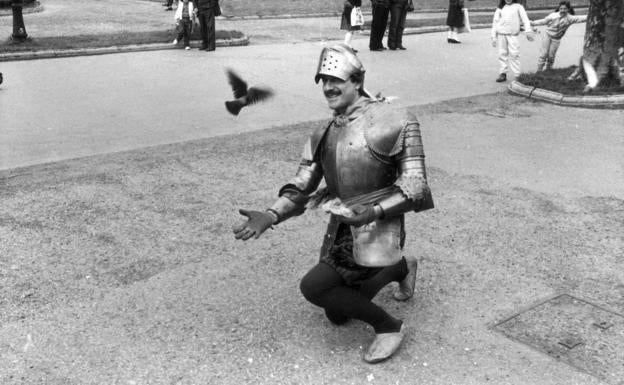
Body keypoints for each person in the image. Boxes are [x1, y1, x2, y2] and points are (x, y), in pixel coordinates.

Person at [233, 44, 434, 364]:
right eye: (323, 80)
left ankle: (389, 327)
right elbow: (301, 187)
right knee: (337, 315)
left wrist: (374, 211)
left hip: (381, 224)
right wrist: (271, 215)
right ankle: (401, 267)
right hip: (342, 226)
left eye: (335, 79)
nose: (328, 87)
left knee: (314, 287)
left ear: (357, 80)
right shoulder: (323, 132)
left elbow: (417, 187)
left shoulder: (395, 120)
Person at [531, 1, 587, 71]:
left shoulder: (570, 18)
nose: (563, 10)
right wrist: (532, 23)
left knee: (551, 56)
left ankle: (548, 71)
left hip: (556, 39)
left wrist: (592, 15)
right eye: (561, 8)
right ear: (559, 8)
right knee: (543, 54)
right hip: (547, 35)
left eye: (565, 9)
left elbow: (581, 18)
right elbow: (543, 21)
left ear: (568, 9)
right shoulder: (553, 15)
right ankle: (539, 71)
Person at [491, 0, 535, 82]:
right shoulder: (500, 8)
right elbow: (495, 22)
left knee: (514, 54)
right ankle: (503, 73)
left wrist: (528, 31)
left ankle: (517, 75)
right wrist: (493, 36)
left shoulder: (518, 6)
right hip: (501, 34)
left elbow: (525, 19)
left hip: (512, 35)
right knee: (502, 54)